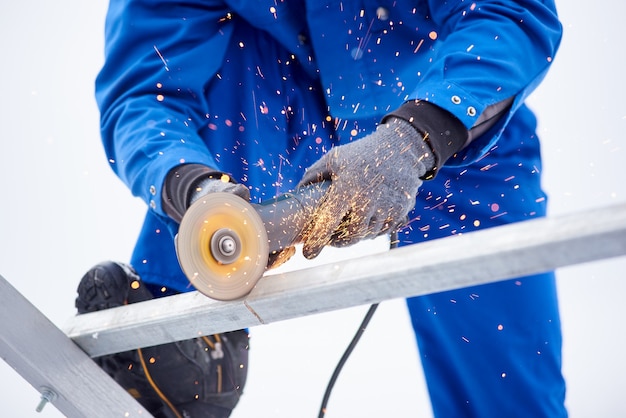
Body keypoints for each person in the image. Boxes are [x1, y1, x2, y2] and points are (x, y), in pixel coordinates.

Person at [76, 0, 567, 416]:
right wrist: (192, 187)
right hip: (285, 105)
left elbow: (510, 14)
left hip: (454, 119)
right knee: (235, 58)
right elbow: (148, 86)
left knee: (503, 372)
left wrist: (412, 139)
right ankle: (193, 332)